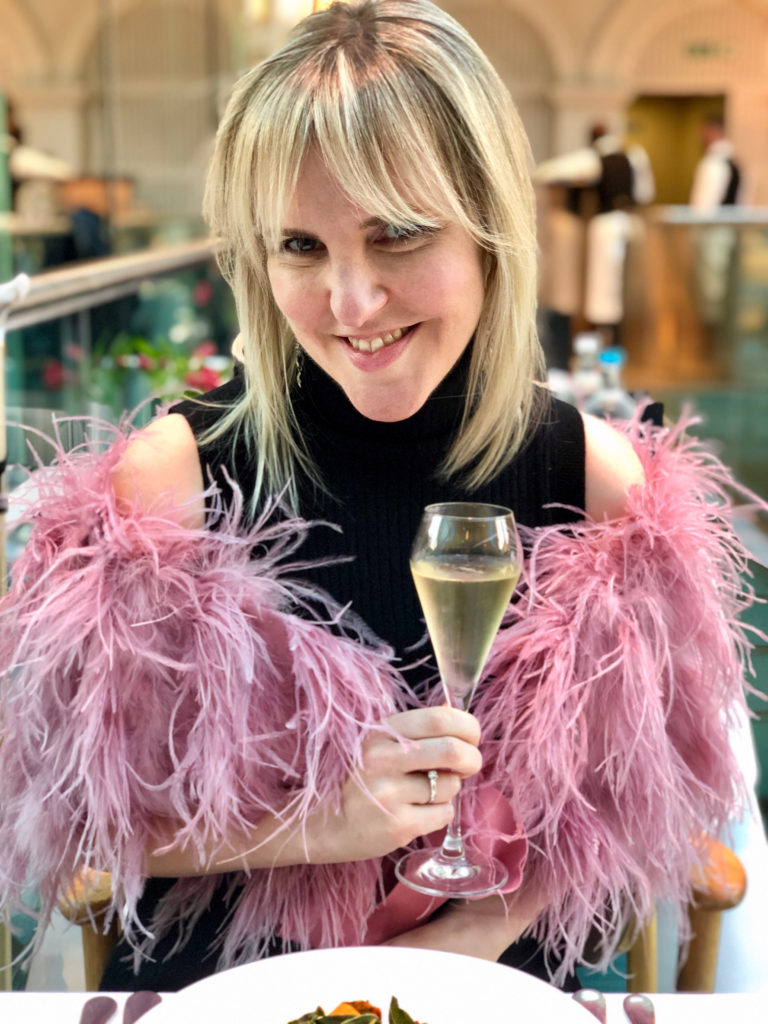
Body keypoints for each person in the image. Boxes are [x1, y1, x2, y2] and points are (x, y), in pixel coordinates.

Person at [0, 0, 761, 995]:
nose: (350, 304)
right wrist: (323, 823)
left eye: (397, 234)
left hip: (497, 990)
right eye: (300, 248)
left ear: (491, 228)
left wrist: (469, 940)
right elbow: (82, 822)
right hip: (227, 988)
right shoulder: (166, 486)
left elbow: (628, 804)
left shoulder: (595, 482)